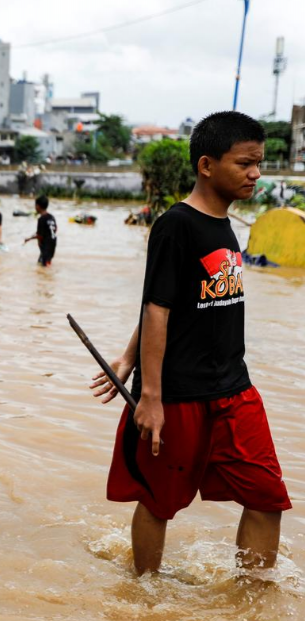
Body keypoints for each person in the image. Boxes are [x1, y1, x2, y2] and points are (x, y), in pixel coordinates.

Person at [89, 111, 290, 576]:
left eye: (258, 163)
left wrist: (124, 355)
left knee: (266, 497)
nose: (255, 174)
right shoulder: (175, 225)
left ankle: (251, 598)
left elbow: (174, 302)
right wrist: (150, 396)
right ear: (206, 165)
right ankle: (144, 593)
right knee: (160, 502)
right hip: (178, 395)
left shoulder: (226, 226)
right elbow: (157, 308)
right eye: (244, 163)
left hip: (235, 389)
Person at [23, 195, 56, 266]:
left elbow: (39, 235)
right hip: (52, 244)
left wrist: (30, 238)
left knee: (44, 266)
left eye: (35, 205)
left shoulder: (41, 219)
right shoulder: (51, 217)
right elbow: (54, 229)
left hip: (46, 247)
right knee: (42, 264)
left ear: (37, 206)